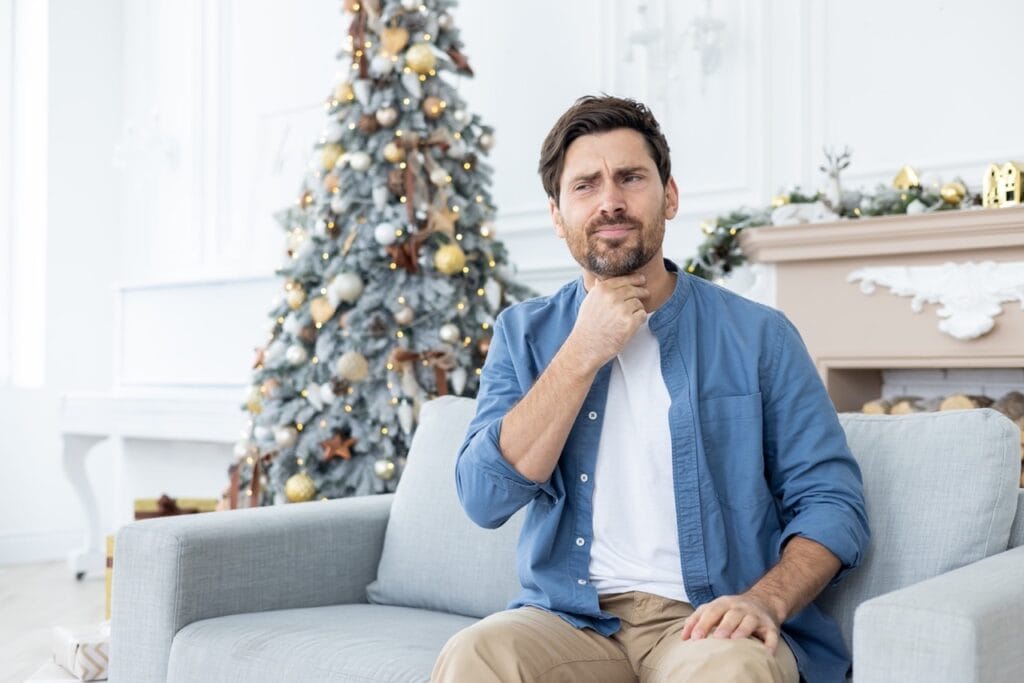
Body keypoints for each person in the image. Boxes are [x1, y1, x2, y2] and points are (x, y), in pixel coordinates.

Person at [432, 95, 870, 683]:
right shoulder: (523, 334)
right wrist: (583, 350)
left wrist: (766, 600)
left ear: (669, 195)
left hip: (711, 622)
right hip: (571, 619)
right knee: (475, 655)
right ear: (558, 216)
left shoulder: (759, 334)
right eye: (585, 185)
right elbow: (484, 499)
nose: (610, 200)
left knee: (730, 672)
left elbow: (831, 502)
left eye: (631, 178)